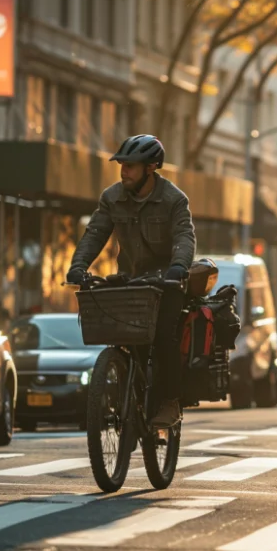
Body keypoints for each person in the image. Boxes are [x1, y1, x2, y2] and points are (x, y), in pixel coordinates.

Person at [66, 134, 195, 428]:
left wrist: (178, 267)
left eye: (131, 167)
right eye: (122, 165)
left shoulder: (174, 199)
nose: (124, 171)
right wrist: (78, 266)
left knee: (163, 337)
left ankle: (169, 402)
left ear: (151, 167)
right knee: (123, 335)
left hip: (168, 281)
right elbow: (95, 234)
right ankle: (128, 389)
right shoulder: (112, 197)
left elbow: (184, 237)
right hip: (132, 279)